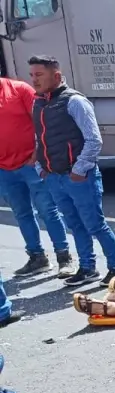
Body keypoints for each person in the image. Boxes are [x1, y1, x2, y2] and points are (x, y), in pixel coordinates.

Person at [28, 56, 115, 286]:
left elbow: (94, 140)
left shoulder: (74, 102)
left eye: (39, 75)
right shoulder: (38, 103)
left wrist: (79, 170)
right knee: (75, 225)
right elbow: (39, 140)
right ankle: (87, 268)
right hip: (54, 177)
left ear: (56, 76)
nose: (34, 80)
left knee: (95, 224)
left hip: (79, 177)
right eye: (32, 75)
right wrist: (41, 168)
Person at [0, 76, 73, 278]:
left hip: (30, 163)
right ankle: (37, 257)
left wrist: (38, 152)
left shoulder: (19, 90)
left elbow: (42, 121)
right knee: (21, 213)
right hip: (4, 169)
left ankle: (64, 257)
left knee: (47, 210)